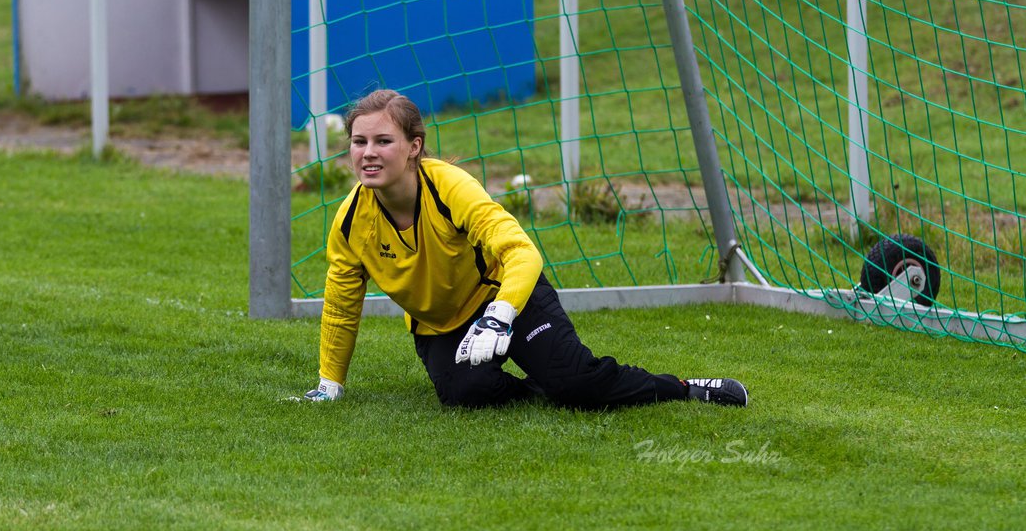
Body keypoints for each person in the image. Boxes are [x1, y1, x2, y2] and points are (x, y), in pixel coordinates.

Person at [302, 89, 748, 409]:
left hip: (507, 299)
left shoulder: (450, 187)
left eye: (384, 141)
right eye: (359, 142)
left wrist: (501, 313)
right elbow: (342, 305)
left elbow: (522, 253)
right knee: (466, 396)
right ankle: (543, 387)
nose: (368, 153)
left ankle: (686, 388)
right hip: (440, 325)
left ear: (414, 147)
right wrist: (329, 383)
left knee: (578, 386)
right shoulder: (348, 222)